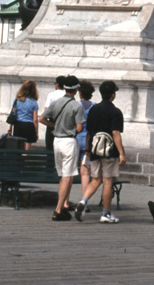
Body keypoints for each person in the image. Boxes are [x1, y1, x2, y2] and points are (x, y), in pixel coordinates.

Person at [73, 80, 125, 224]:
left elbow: (89, 131)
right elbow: (115, 133)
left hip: (94, 149)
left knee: (95, 179)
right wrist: (121, 153)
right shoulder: (115, 112)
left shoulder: (94, 109)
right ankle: (106, 213)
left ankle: (83, 201)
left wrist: (89, 150)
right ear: (113, 95)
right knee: (107, 181)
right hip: (109, 151)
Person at [42, 76, 84, 221]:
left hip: (56, 141)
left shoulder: (56, 102)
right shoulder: (77, 106)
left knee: (64, 176)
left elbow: (42, 118)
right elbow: (79, 128)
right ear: (76, 89)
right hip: (68, 141)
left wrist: (54, 126)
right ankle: (59, 209)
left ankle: (61, 207)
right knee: (67, 176)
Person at [75, 80, 96, 211]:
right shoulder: (95, 106)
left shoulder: (75, 105)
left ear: (79, 92)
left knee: (70, 172)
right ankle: (84, 200)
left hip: (76, 140)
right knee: (85, 173)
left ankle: (65, 201)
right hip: (89, 142)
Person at [7, 80, 39, 146]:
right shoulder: (34, 102)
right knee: (26, 151)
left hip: (18, 125)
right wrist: (36, 132)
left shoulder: (17, 100)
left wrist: (10, 127)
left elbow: (13, 114)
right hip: (29, 125)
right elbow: (35, 119)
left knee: (17, 147)